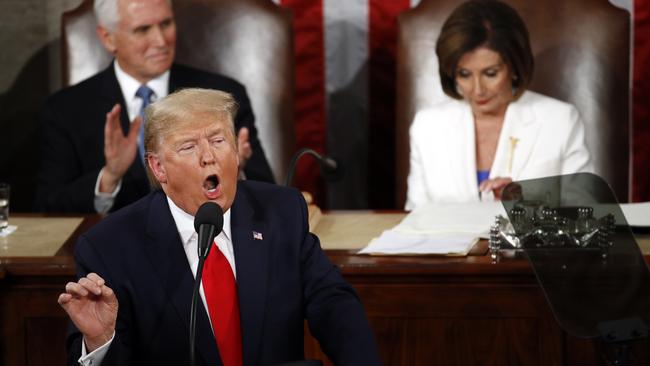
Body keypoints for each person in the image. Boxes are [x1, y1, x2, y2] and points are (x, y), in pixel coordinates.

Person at [57, 88, 380, 366]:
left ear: (237, 152)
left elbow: (334, 304)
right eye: (189, 146)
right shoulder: (110, 246)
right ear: (158, 167)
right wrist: (101, 341)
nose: (209, 157)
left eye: (218, 140)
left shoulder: (281, 212)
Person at [35, 0, 274, 214]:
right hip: (115, 251)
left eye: (166, 24)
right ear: (108, 38)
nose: (160, 41)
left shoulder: (221, 96)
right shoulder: (65, 109)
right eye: (143, 30)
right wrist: (109, 177)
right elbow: (48, 207)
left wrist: (233, 169)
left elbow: (267, 189)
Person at [405, 0, 593, 210]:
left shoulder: (559, 121)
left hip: (532, 243)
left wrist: (525, 209)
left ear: (514, 66)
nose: (477, 90)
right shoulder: (427, 125)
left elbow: (587, 217)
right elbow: (415, 220)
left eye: (490, 73)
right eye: (464, 74)